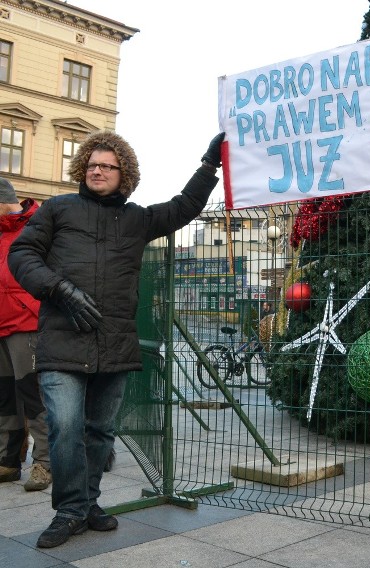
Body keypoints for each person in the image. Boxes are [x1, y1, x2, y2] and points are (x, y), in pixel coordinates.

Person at [8, 130, 226, 548]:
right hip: (62, 341)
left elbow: (185, 207)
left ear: (123, 173)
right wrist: (58, 289)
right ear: (82, 169)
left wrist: (209, 164)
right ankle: (70, 510)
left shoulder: (136, 218)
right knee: (65, 428)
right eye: (92, 164)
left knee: (100, 432)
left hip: (115, 343)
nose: (98, 171)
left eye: (107, 165)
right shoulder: (56, 209)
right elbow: (21, 255)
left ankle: (87, 503)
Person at [0, 177, 52, 492]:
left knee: (34, 397)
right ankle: (7, 462)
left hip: (26, 323)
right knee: (4, 398)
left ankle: (44, 463)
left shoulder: (37, 226)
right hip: (2, 324)